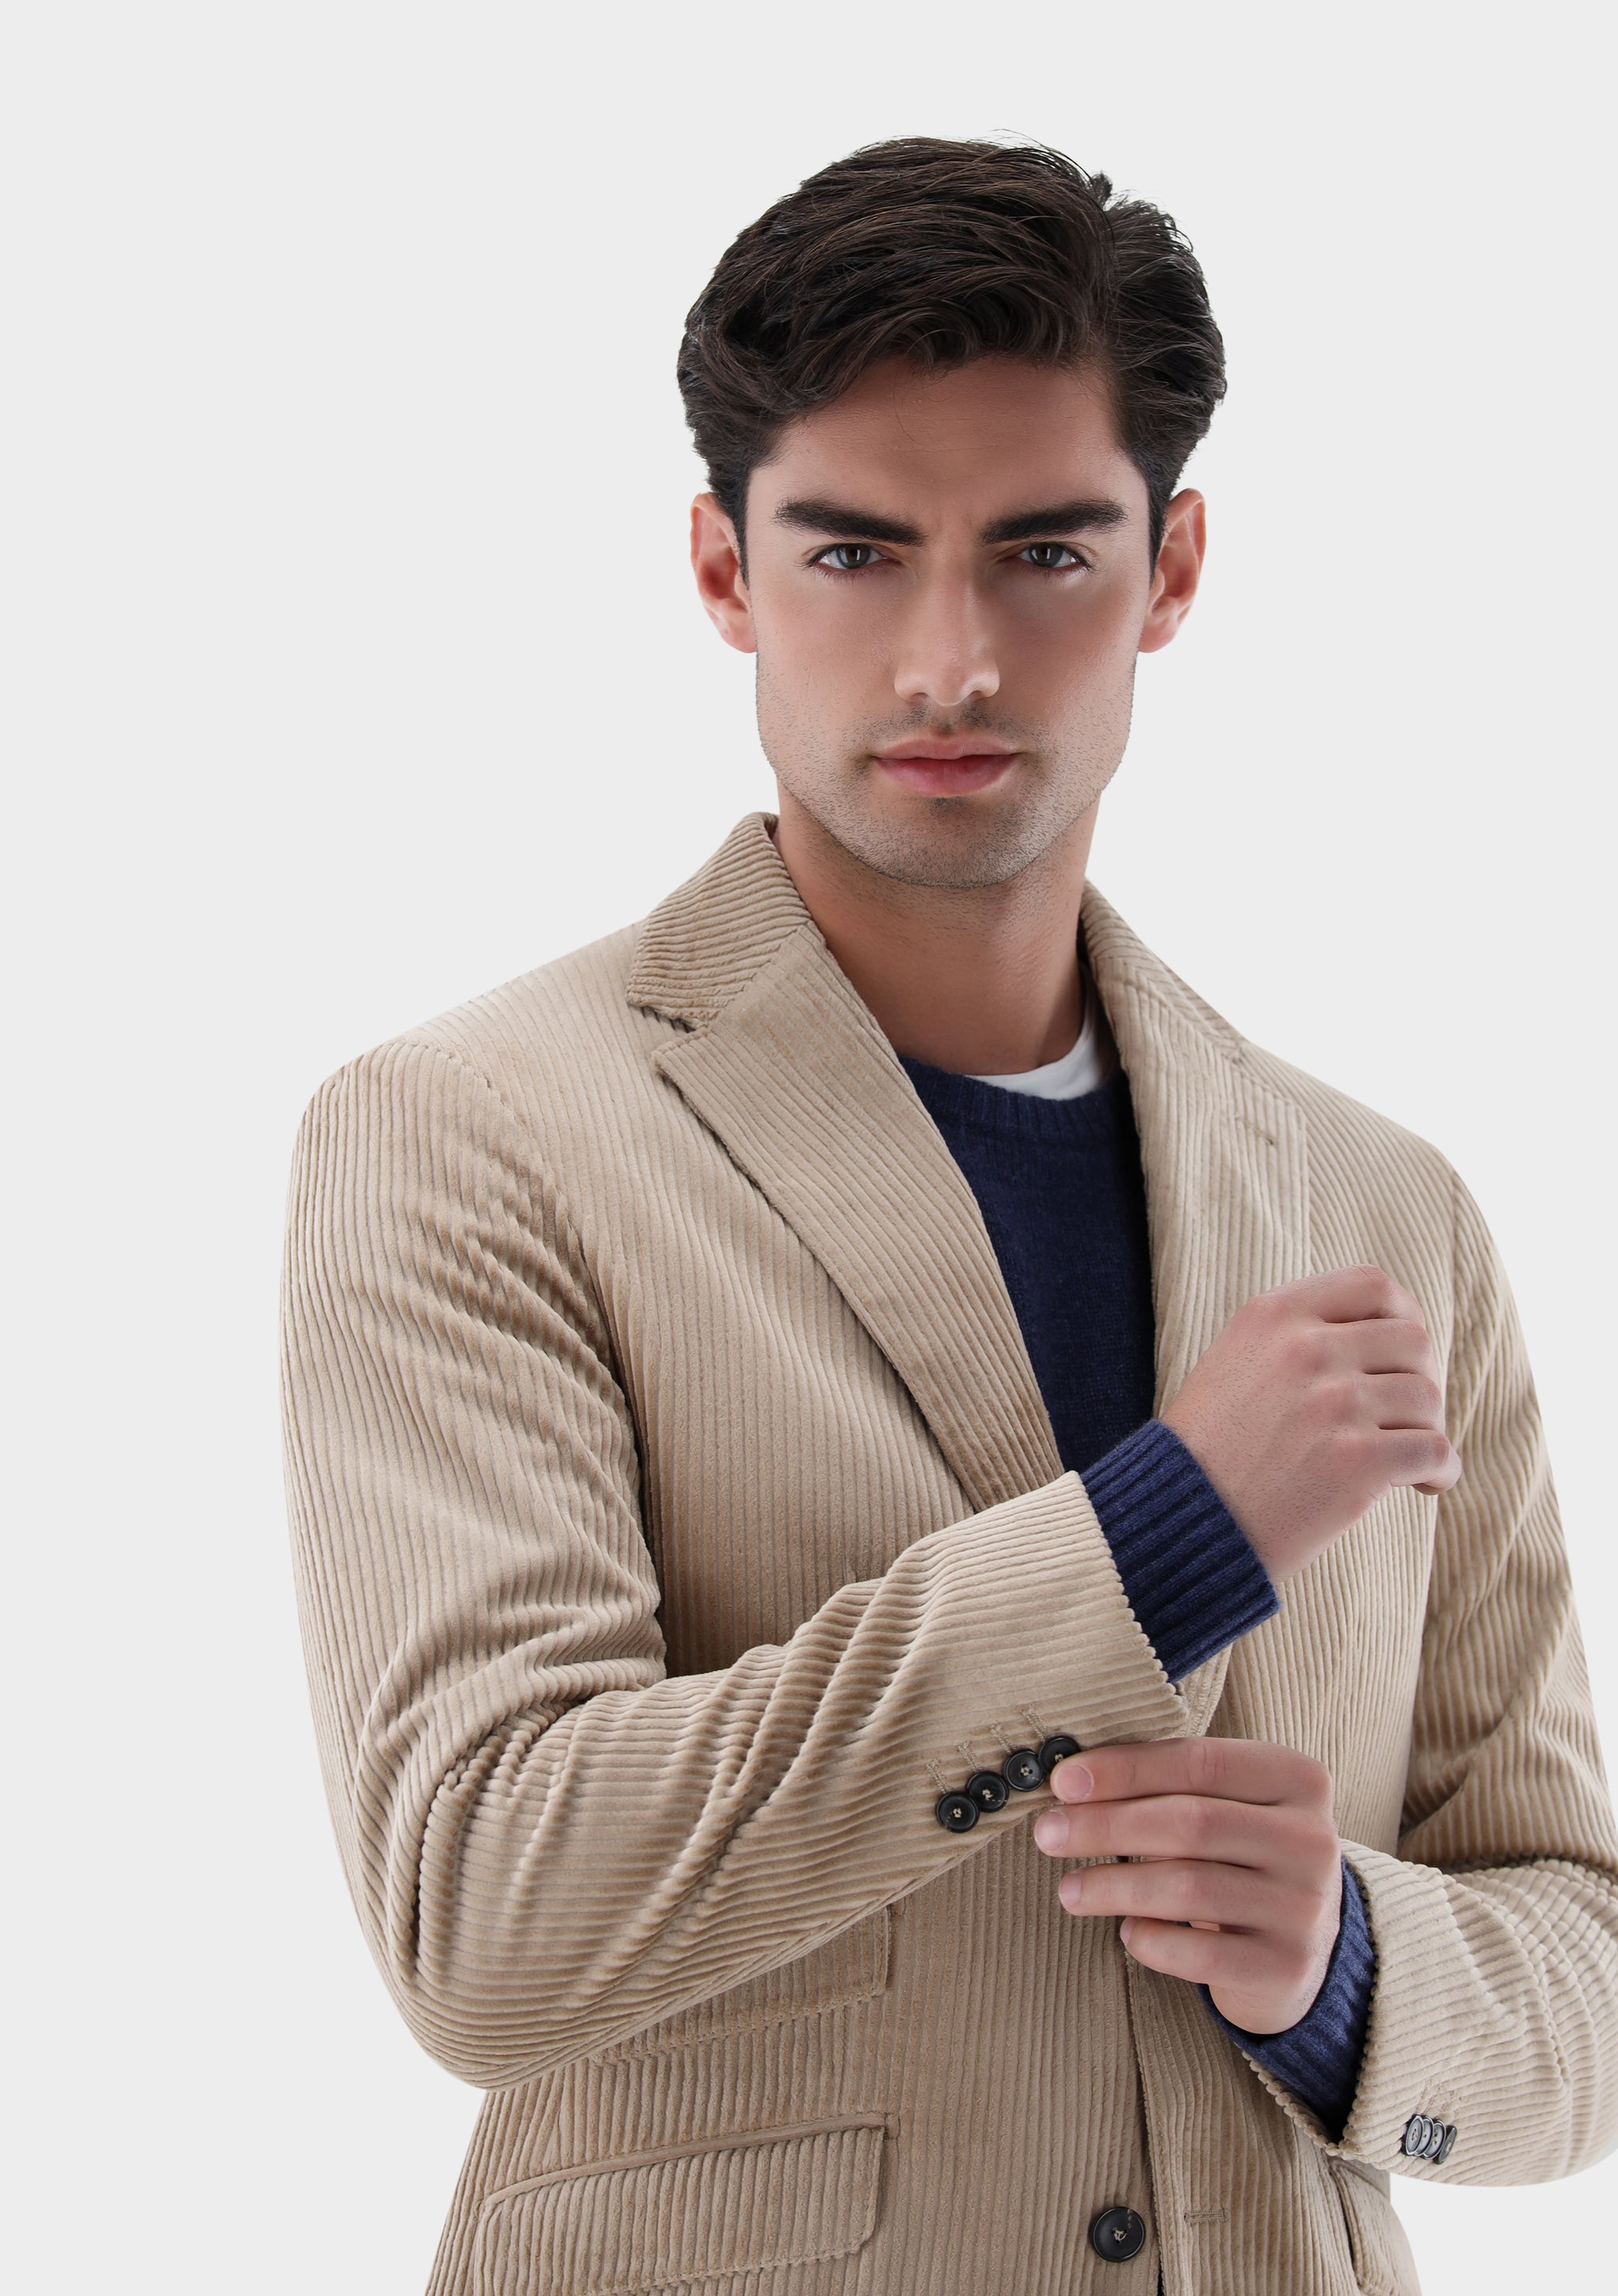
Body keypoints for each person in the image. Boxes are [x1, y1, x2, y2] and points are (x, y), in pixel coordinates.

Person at [280, 138, 1618, 2296]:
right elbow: (484, 1910)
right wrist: (1164, 1537)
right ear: (723, 570)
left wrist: (1352, 1968)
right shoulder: (473, 1135)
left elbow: (1581, 1960)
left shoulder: (1385, 1211)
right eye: (853, 552)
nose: (951, 660)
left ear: (1173, 567)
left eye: (1043, 553)